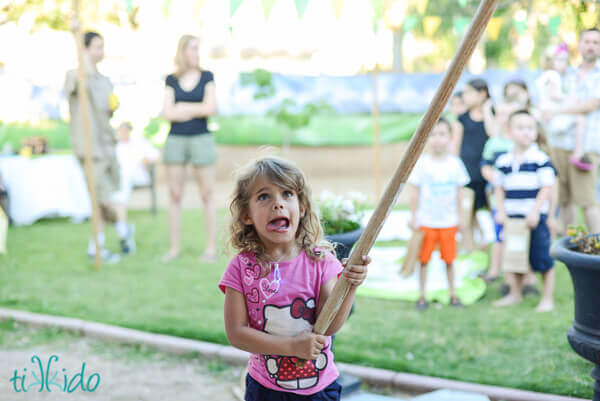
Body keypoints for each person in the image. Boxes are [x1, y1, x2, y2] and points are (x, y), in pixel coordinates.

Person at [219, 157, 370, 400]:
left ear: (301, 208)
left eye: (287, 194)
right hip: (264, 389)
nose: (278, 204)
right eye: (264, 196)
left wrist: (349, 286)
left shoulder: (322, 262)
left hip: (319, 388)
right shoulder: (241, 268)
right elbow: (236, 332)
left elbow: (329, 325)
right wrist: (291, 348)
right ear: (246, 214)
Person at [64, 31, 135, 263]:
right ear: (84, 49)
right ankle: (98, 246)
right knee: (99, 199)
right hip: (88, 147)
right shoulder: (75, 75)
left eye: (102, 47)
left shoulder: (105, 81)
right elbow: (73, 89)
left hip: (107, 145)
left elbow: (107, 111)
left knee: (106, 199)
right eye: (96, 47)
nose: (101, 52)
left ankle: (122, 230)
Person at [161, 34, 218, 262]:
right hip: (176, 140)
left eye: (198, 48)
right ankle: (174, 249)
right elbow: (167, 113)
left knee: (206, 193)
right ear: (182, 51)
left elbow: (211, 108)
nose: (196, 52)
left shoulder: (207, 77)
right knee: (175, 194)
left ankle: (210, 248)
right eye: (192, 48)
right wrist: (196, 107)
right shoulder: (171, 80)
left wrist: (182, 106)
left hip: (201, 139)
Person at [493, 110, 556, 312]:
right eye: (520, 128)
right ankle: (515, 294)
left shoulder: (540, 158)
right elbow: (499, 188)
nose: (526, 132)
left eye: (530, 128)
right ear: (509, 131)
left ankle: (547, 298)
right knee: (515, 258)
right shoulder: (503, 161)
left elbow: (546, 187)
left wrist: (536, 212)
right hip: (513, 218)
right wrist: (500, 211)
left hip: (534, 218)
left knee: (542, 257)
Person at [541, 28, 600, 235]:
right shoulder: (567, 72)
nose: (591, 45)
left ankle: (597, 247)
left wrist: (558, 110)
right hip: (560, 142)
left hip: (587, 146)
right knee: (564, 200)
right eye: (587, 41)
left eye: (596, 42)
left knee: (587, 200)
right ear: (580, 44)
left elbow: (592, 104)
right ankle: (571, 245)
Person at [408, 118, 470, 310]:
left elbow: (460, 193)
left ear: (450, 138)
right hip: (427, 221)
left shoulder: (455, 164)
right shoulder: (422, 164)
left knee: (450, 259)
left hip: (449, 221)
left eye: (442, 134)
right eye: (433, 134)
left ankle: (453, 293)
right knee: (424, 260)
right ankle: (422, 295)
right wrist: (413, 216)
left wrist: (461, 217)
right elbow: (415, 192)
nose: (437, 139)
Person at [537, 43, 589, 171]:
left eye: (565, 60)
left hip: (550, 116)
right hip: (554, 117)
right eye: (559, 60)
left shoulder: (545, 75)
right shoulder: (552, 75)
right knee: (580, 118)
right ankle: (578, 152)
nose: (563, 63)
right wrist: (570, 98)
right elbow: (554, 94)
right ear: (550, 60)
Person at [453, 78, 491, 251]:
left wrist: (488, 111)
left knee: (491, 207)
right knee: (469, 210)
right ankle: (473, 244)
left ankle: (493, 239)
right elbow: (456, 145)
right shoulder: (462, 119)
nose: (466, 97)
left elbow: (493, 133)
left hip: (487, 171)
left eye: (469, 92)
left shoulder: (492, 115)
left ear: (482, 94)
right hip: (467, 171)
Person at [113, 122, 160, 206]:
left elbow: (155, 155)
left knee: (125, 174)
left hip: (139, 174)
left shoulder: (139, 143)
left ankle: (120, 202)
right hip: (119, 176)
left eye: (125, 131)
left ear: (130, 131)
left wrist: (146, 160)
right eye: (121, 131)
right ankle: (119, 203)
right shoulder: (116, 146)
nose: (123, 133)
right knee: (123, 174)